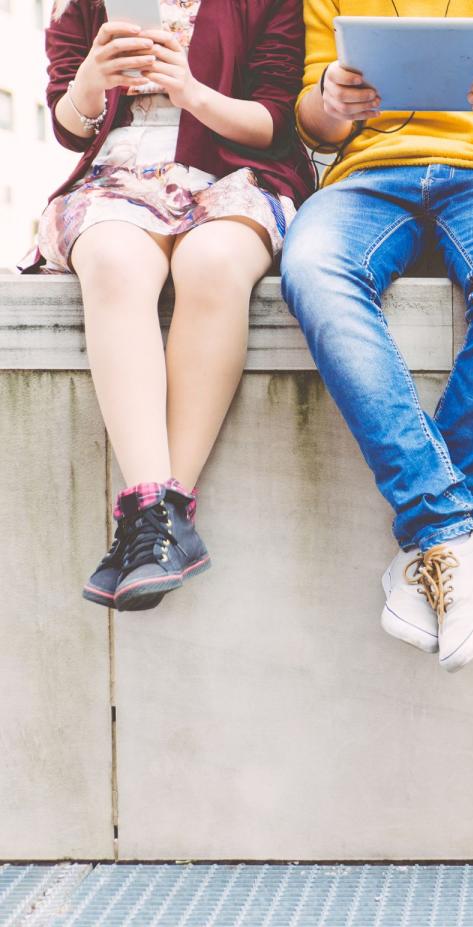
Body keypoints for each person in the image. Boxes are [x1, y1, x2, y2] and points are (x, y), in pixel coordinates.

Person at [281, 0, 473, 673]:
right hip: (367, 176)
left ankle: (433, 542)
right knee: (312, 266)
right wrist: (332, 99)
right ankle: (454, 527)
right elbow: (314, 127)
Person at [28, 0, 313, 612]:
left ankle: (153, 522)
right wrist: (90, 81)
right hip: (118, 179)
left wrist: (189, 91)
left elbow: (276, 120)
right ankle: (160, 520)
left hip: (235, 172)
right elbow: (69, 125)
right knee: (112, 262)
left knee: (212, 264)